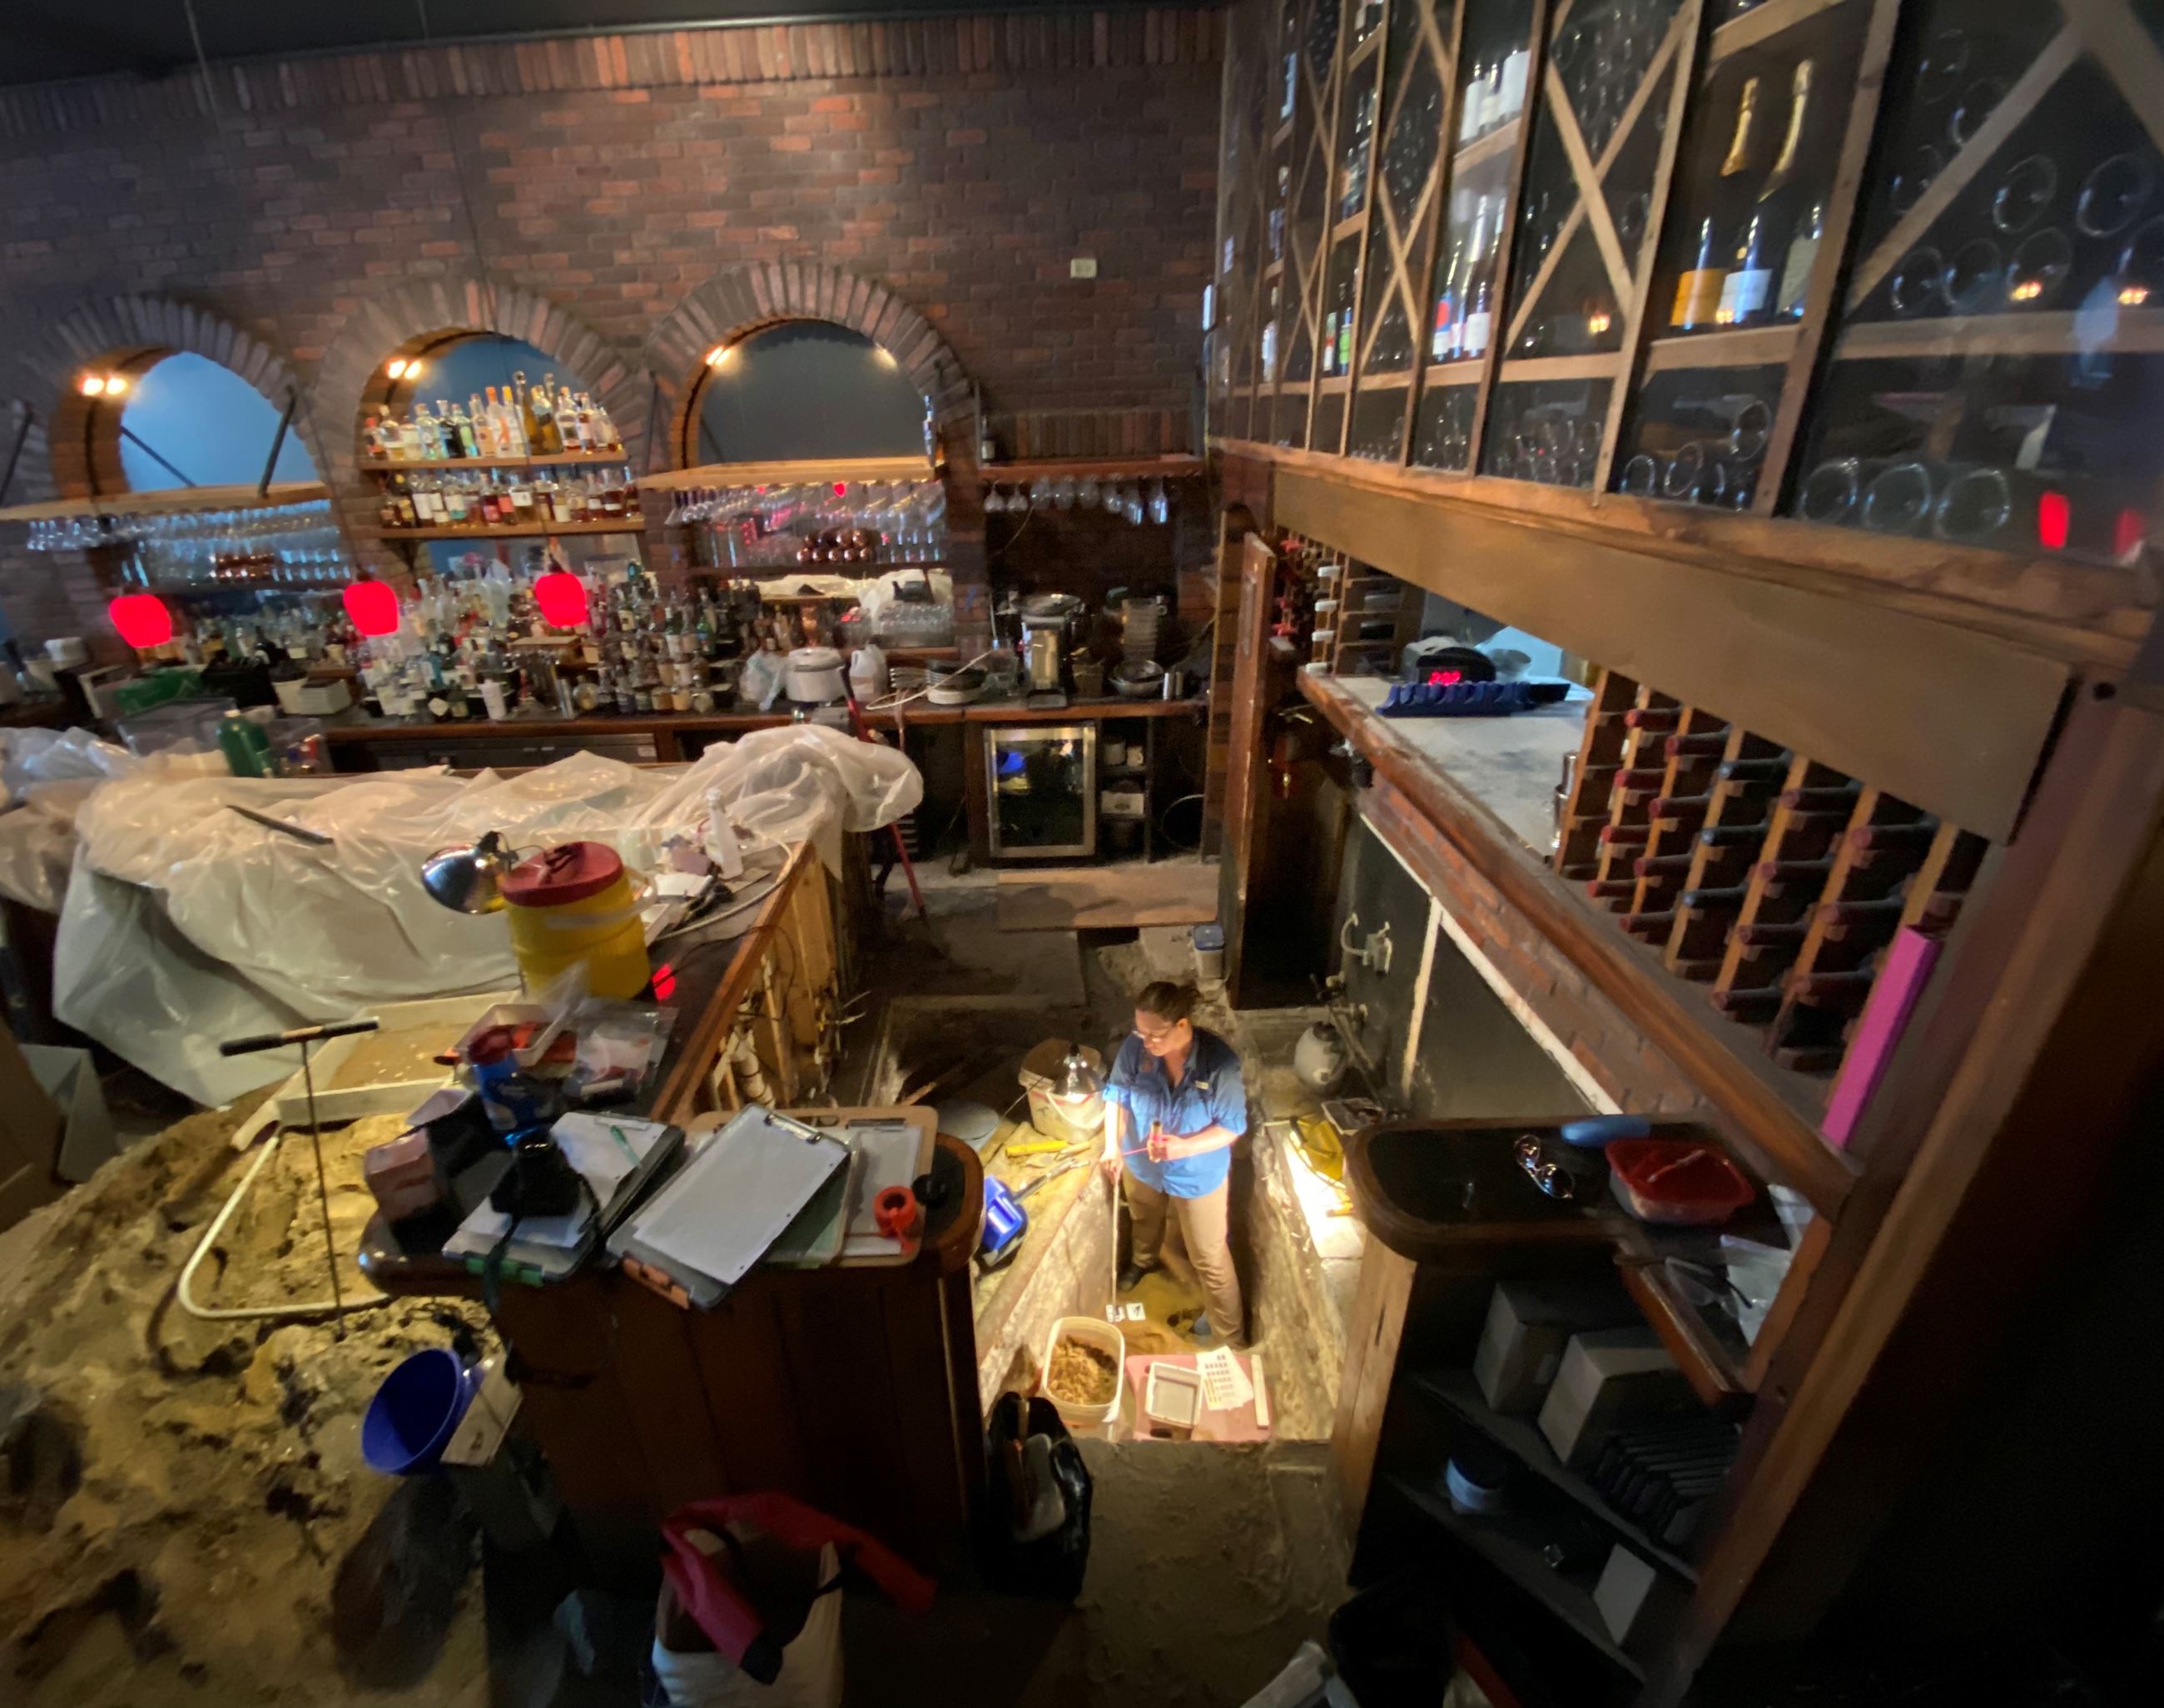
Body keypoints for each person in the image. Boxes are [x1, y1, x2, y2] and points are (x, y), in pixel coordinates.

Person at [1099, 980, 1250, 1349]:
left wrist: (1184, 1148)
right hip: (1144, 1164)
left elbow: (1232, 1127)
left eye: (1155, 1034)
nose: (1145, 1041)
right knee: (1144, 1218)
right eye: (1140, 1031)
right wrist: (1112, 1146)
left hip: (1196, 1173)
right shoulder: (1136, 1050)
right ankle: (1143, 1261)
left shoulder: (1219, 1065)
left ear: (1182, 1025)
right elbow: (1116, 1093)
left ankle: (1231, 1338)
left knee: (1209, 1255)